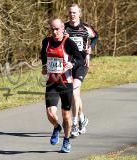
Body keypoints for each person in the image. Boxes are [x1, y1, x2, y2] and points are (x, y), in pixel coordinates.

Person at [40, 18, 84, 153]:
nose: (54, 32)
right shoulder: (46, 42)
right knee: (50, 113)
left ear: (62, 29)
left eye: (57, 29)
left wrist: (73, 64)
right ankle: (56, 127)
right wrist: (44, 66)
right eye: (52, 29)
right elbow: (43, 55)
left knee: (66, 115)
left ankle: (66, 140)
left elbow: (80, 58)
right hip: (52, 82)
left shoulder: (69, 43)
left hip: (66, 83)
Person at [65, 3, 98, 138]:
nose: (72, 15)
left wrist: (90, 50)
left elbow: (95, 36)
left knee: (74, 92)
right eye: (70, 12)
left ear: (79, 14)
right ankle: (82, 118)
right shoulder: (64, 27)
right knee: (75, 95)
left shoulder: (86, 28)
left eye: (75, 12)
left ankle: (75, 124)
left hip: (81, 64)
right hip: (68, 65)